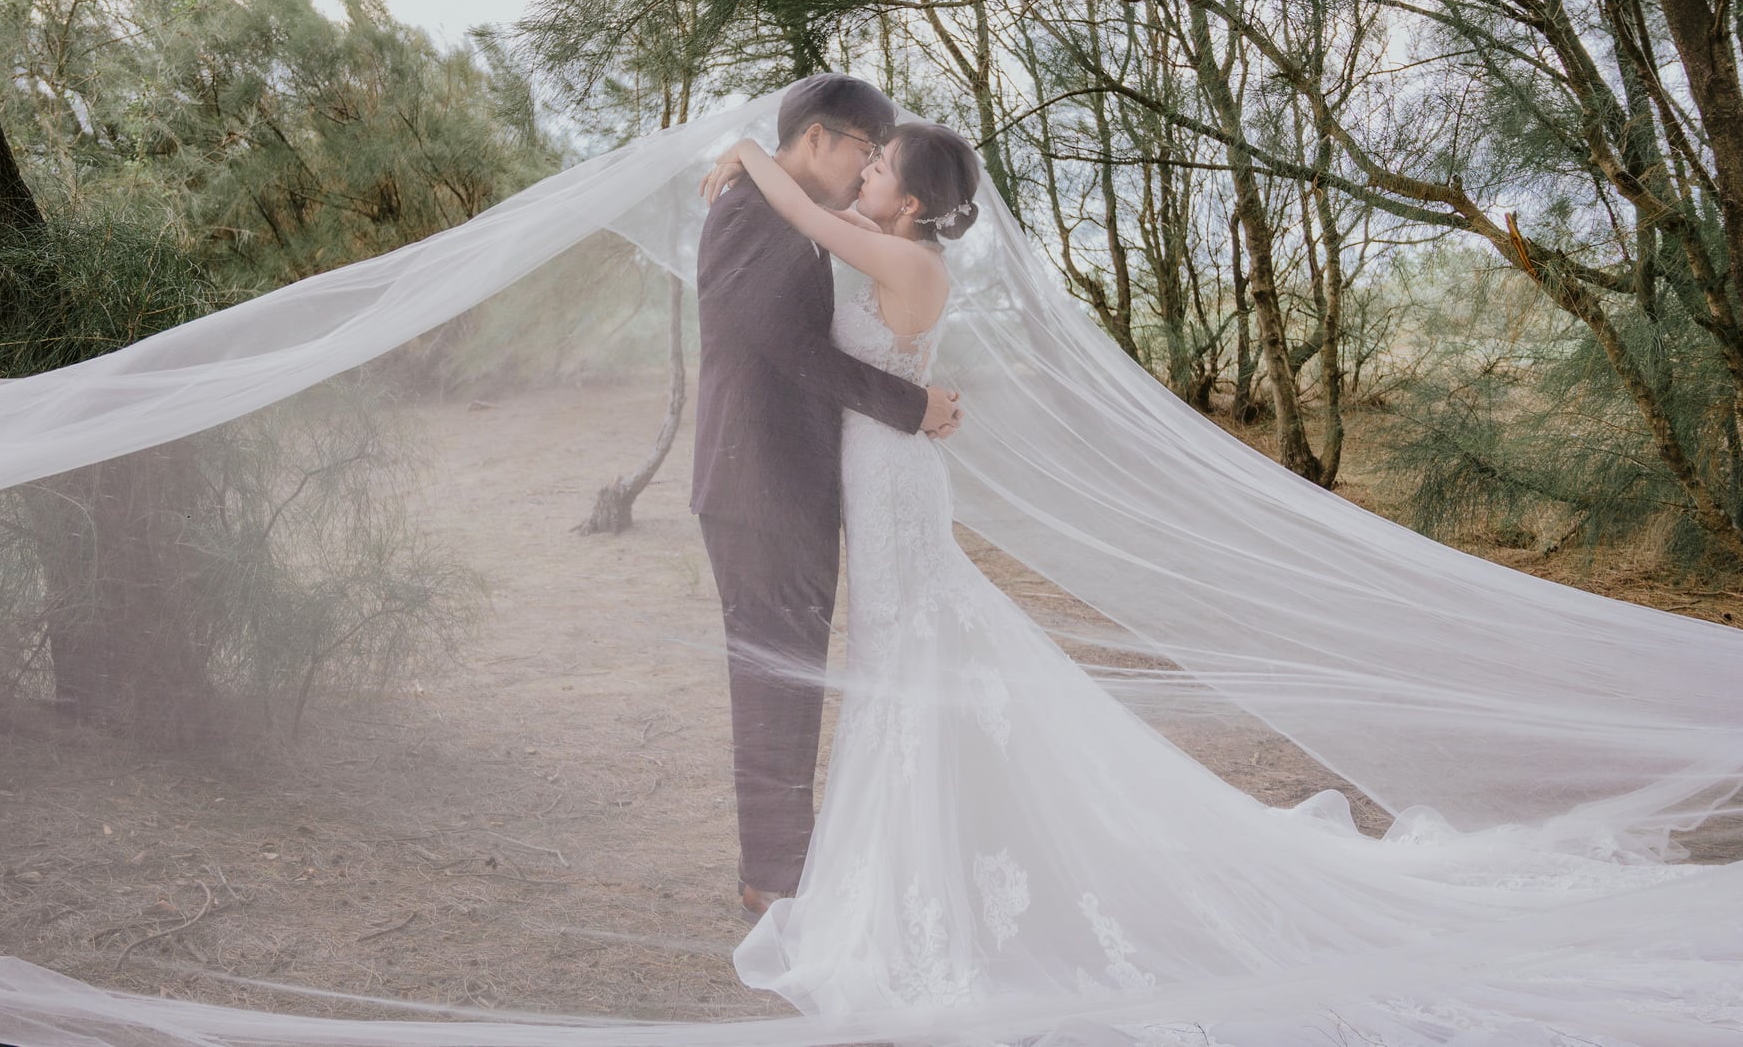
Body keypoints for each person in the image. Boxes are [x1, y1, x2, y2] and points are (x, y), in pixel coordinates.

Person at [699, 120, 1706, 1025]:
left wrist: (748, 153)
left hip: (895, 484)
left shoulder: (896, 257)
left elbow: (798, 209)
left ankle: (927, 879)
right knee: (902, 661)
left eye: (876, 168)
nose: (863, 176)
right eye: (861, 160)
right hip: (882, 476)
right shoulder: (900, 250)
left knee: (914, 656)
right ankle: (912, 867)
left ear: (909, 203)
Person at [690, 73, 964, 920]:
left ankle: (788, 868)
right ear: (818, 141)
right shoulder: (751, 211)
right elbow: (787, 346)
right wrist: (910, 405)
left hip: (792, 482)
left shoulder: (786, 210)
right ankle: (774, 881)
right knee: (776, 677)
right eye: (863, 150)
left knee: (794, 675)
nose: (866, 168)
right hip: (759, 482)